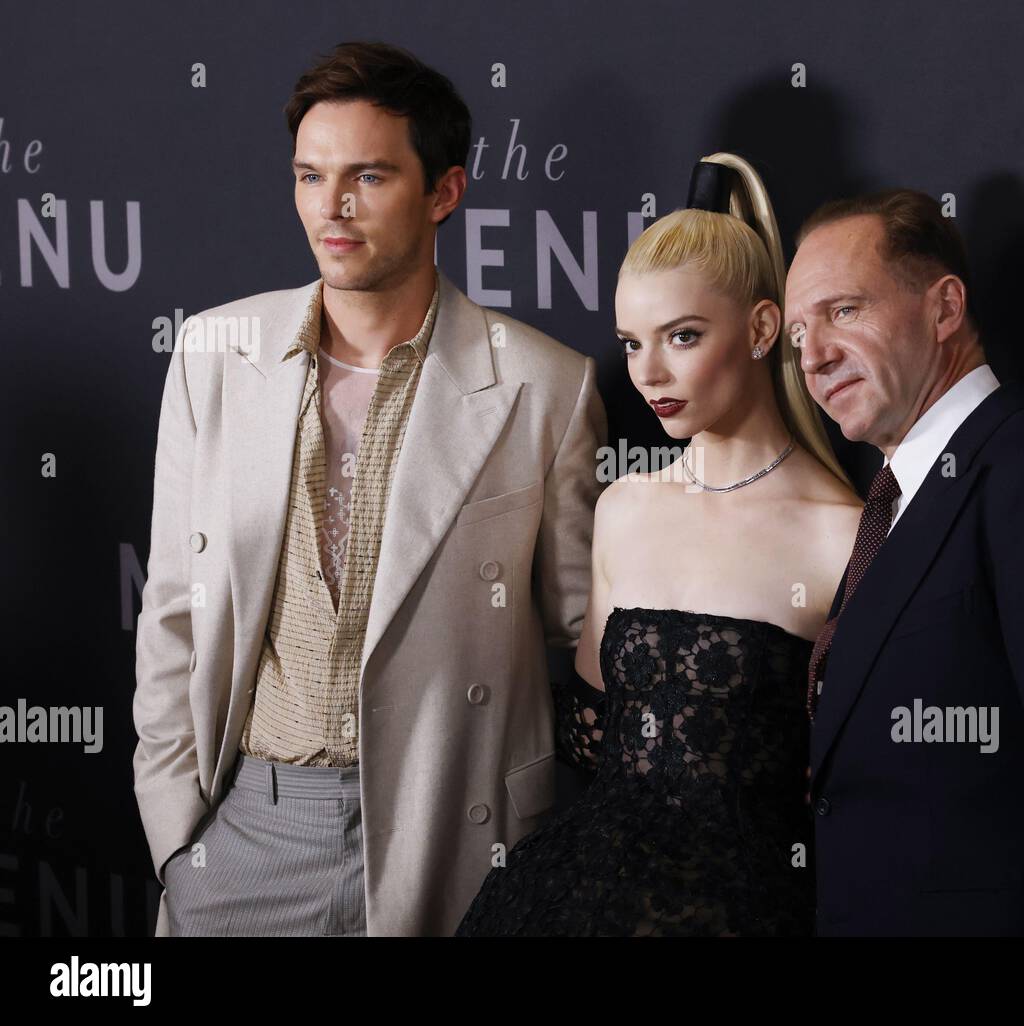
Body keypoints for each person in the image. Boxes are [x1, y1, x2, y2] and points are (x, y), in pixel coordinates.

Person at [131, 40, 605, 936]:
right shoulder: (211, 356)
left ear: (445, 192)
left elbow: (580, 629)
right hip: (247, 835)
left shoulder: (547, 386)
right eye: (311, 176)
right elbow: (172, 612)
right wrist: (176, 844)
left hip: (456, 832)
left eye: (369, 177)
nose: (332, 208)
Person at [455, 154, 863, 936]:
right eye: (632, 343)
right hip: (575, 892)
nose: (649, 373)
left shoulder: (842, 531)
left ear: (761, 328)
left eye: (681, 336)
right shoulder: (622, 507)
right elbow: (594, 740)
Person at [785, 189, 1024, 935]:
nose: (813, 355)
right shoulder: (895, 503)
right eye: (798, 332)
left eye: (843, 312)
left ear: (944, 309)